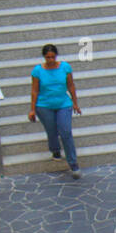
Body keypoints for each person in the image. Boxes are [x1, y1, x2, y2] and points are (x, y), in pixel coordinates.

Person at [27, 44, 83, 178]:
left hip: (63, 104)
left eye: (53, 57)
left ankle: (73, 164)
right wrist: (32, 109)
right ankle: (55, 150)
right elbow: (35, 90)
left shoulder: (65, 67)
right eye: (48, 57)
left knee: (65, 132)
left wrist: (75, 103)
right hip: (44, 105)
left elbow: (71, 85)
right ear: (44, 57)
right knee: (51, 131)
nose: (51, 60)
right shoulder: (38, 71)